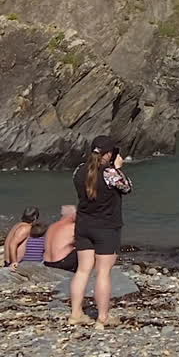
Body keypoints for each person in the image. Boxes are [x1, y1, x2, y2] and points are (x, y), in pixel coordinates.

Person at [69, 136, 134, 329]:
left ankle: (75, 313)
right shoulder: (110, 174)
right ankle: (102, 317)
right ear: (109, 154)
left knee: (83, 270)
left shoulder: (78, 170)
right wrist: (118, 168)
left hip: (83, 225)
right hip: (106, 227)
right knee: (103, 272)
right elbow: (127, 187)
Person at [43, 206, 78, 272]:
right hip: (61, 263)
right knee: (86, 246)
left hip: (47, 262)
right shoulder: (72, 227)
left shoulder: (51, 226)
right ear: (73, 215)